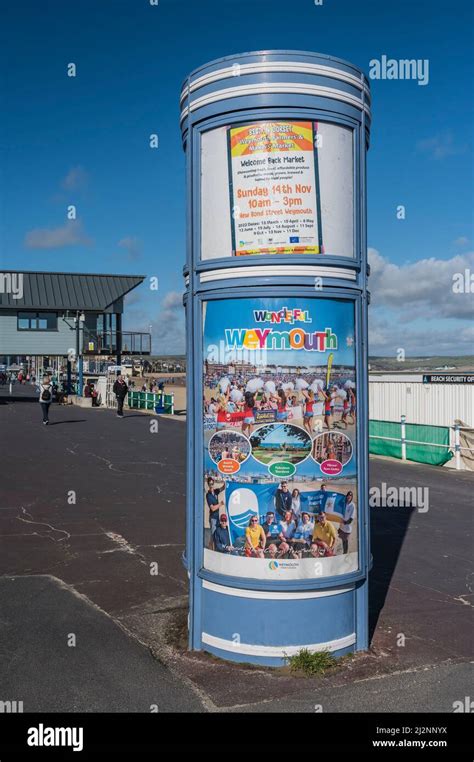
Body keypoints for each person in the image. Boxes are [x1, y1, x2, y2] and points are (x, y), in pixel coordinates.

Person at [206, 477, 225, 544]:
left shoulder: (216, 491)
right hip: (213, 518)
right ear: (208, 484)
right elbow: (212, 508)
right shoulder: (208, 495)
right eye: (210, 484)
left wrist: (225, 481)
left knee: (214, 535)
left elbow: (223, 488)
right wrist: (220, 504)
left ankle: (210, 547)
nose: (211, 485)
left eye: (212, 483)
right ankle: (212, 549)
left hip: (217, 517)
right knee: (214, 535)